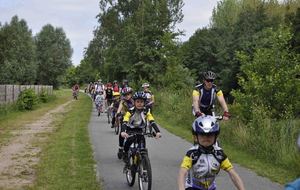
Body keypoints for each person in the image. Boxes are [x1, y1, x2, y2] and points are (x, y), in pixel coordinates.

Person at [178, 116, 246, 190]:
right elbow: (182, 172)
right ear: (196, 137)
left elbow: (233, 174)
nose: (206, 138)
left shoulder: (219, 154)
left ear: (216, 137)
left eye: (210, 135)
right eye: (202, 134)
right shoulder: (192, 154)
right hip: (193, 187)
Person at [121, 91, 161, 166]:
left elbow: (152, 121)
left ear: (144, 103)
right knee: (129, 141)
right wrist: (123, 131)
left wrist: (157, 131)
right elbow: (125, 121)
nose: (139, 103)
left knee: (142, 148)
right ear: (134, 102)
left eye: (142, 102)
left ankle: (143, 163)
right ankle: (125, 154)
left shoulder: (146, 111)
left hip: (140, 130)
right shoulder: (130, 111)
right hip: (130, 130)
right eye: (138, 101)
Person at [116, 86, 134, 159]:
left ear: (131, 94)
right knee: (122, 132)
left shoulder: (134, 100)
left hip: (133, 118)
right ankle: (121, 147)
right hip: (124, 117)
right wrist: (118, 113)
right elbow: (120, 107)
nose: (127, 96)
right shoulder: (123, 101)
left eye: (128, 94)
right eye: (125, 94)